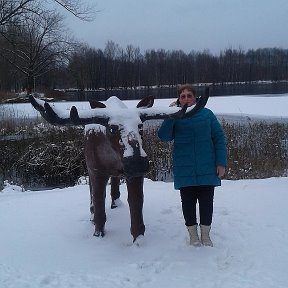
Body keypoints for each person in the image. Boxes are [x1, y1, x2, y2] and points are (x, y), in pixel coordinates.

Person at [158, 84, 227, 247]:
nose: (186, 98)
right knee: (187, 204)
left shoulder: (207, 114)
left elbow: (219, 138)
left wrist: (221, 163)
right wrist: (171, 116)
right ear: (178, 99)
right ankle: (193, 236)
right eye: (183, 96)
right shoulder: (175, 115)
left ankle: (205, 235)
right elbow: (164, 136)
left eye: (189, 95)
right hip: (184, 168)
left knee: (206, 203)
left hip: (207, 167)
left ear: (195, 98)